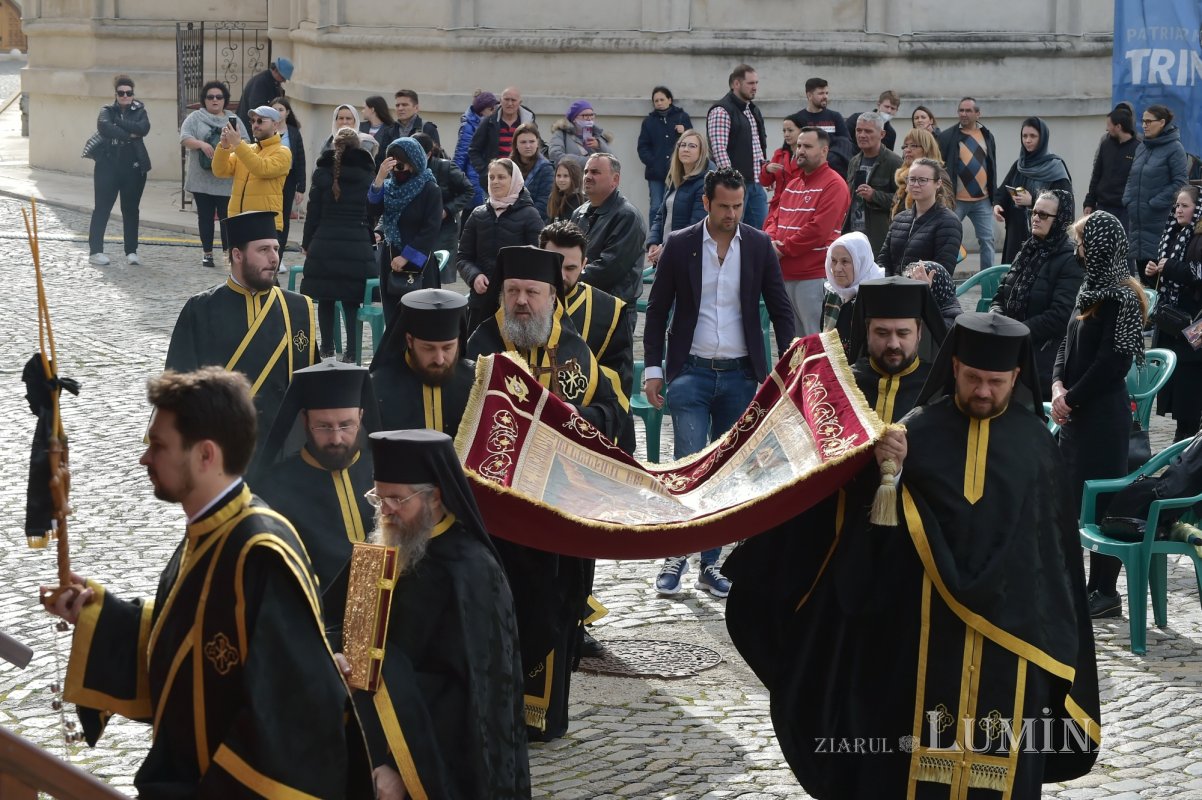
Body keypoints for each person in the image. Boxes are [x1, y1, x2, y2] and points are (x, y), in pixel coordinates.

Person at [725, 312, 1101, 799]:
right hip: (921, 638)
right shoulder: (914, 435)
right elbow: (874, 541)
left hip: (1013, 642)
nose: (983, 392)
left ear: (1016, 377)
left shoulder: (1037, 448)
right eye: (972, 379)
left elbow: (1055, 561)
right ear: (955, 368)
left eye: (995, 382)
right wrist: (888, 476)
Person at [48, 367, 372, 796]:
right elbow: (193, 640)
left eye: (158, 446)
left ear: (205, 455)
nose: (145, 458)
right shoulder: (206, 532)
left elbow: (291, 719)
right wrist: (97, 615)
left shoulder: (260, 553)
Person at [466, 245, 625, 741]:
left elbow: (616, 414)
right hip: (493, 520)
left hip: (555, 515)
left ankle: (540, 718)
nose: (520, 303)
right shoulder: (479, 348)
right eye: (512, 291)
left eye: (531, 293)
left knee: (552, 611)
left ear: (553, 297)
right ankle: (491, 716)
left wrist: (580, 422)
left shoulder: (578, 354)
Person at [325, 429, 530, 798]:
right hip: (361, 742)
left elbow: (470, 694)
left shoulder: (471, 570)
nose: (384, 510)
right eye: (378, 496)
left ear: (435, 496)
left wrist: (398, 766)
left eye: (396, 499)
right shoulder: (380, 551)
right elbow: (331, 621)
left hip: (430, 760)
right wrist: (335, 653)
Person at [643, 167, 796, 598]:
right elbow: (657, 310)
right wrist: (653, 369)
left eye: (738, 206)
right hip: (689, 371)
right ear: (706, 203)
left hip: (741, 375)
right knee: (689, 465)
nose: (731, 214)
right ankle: (676, 553)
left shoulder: (760, 246)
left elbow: (780, 310)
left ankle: (709, 563)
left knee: (726, 473)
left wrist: (788, 363)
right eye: (724, 206)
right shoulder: (681, 244)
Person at [1053, 210, 1148, 619]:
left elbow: (1113, 364)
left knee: (1104, 500)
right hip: (1075, 412)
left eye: (1084, 244)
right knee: (1069, 499)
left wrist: (1070, 398)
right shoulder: (1089, 290)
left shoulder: (1123, 297)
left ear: (1103, 248)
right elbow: (1065, 344)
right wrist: (1057, 386)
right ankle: (1073, 585)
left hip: (1103, 417)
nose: (1079, 252)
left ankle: (1104, 591)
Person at [165, 211, 316, 465]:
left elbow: (312, 389)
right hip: (224, 453)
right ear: (237, 255)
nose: (273, 259)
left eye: (276, 249)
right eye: (263, 250)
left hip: (284, 457)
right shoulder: (201, 309)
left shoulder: (298, 308)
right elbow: (179, 389)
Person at [252, 360, 378, 590]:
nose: (336, 439)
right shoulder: (273, 490)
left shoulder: (384, 473)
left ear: (361, 417)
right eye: (324, 427)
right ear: (305, 421)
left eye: (346, 425)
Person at [541, 220, 634, 452]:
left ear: (584, 264)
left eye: (570, 268)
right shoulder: (518, 306)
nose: (560, 275)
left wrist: (577, 410)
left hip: (589, 428)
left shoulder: (610, 312)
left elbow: (619, 381)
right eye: (554, 264)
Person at [990, 188, 1083, 400]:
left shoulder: (1070, 258)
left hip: (1042, 354)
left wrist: (1014, 332)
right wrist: (997, 318)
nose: (1035, 219)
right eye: (1034, 212)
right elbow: (1000, 295)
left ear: (1060, 219)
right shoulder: (1028, 249)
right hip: (1011, 345)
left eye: (1043, 215)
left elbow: (1060, 315)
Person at [763, 127, 852, 336]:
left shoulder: (834, 184)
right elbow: (774, 218)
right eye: (799, 145)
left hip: (813, 275)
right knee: (792, 343)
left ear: (824, 151)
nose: (800, 150)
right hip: (784, 273)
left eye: (808, 146)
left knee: (814, 340)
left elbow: (818, 229)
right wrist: (769, 241)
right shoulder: (793, 183)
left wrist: (782, 249)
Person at [300, 127, 376, 362]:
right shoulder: (366, 174)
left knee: (326, 298)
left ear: (334, 146)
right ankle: (352, 351)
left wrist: (307, 242)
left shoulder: (323, 173)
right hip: (356, 243)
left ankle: (326, 348)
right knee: (351, 300)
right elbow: (372, 210)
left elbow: (313, 212)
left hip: (325, 242)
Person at [370, 288, 476, 439]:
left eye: (447, 348)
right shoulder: (378, 387)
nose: (439, 359)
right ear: (409, 341)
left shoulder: (477, 383)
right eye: (428, 348)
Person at [846, 276, 947, 422]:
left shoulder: (938, 389)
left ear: (919, 332)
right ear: (867, 331)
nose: (893, 344)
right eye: (882, 333)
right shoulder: (845, 384)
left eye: (903, 333)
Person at [458, 158, 545, 330]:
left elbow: (539, 258)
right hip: (480, 302)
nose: (495, 182)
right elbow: (463, 257)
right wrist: (474, 276)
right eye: (492, 177)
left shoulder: (530, 215)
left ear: (514, 180)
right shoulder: (478, 215)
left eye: (501, 177)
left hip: (516, 304)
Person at [1145, 185, 1202, 441]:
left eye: (1185, 205)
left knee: (1189, 405)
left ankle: (1183, 459)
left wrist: (1172, 268)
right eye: (1177, 205)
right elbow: (1166, 283)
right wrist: (1153, 273)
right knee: (1180, 403)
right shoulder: (1172, 235)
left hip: (1193, 331)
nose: (1178, 209)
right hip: (1172, 329)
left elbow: (1197, 273)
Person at [570, 153, 648, 340]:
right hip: (580, 304)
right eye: (586, 171)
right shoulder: (579, 213)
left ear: (615, 179)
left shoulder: (627, 216)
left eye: (595, 172)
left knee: (610, 370)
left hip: (613, 312)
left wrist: (567, 278)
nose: (588, 176)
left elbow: (609, 268)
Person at [368, 137, 444, 324]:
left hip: (419, 260)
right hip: (390, 257)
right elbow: (373, 211)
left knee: (421, 320)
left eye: (401, 165)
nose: (397, 171)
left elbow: (431, 229)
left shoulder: (430, 189)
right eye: (393, 165)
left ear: (414, 163)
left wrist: (407, 257)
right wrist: (379, 179)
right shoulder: (389, 187)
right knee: (393, 317)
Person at [88, 74, 150, 266]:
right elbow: (105, 127)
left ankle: (131, 251)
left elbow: (144, 128)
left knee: (131, 209)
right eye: (121, 93)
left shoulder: (140, 110)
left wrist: (121, 123)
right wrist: (130, 134)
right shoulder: (106, 110)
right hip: (107, 166)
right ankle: (95, 251)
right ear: (115, 94)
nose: (125, 96)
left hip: (133, 167)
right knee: (102, 208)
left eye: (128, 93)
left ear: (133, 94)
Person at [992, 117, 1073, 263]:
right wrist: (998, 205)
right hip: (1016, 235)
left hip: (1042, 239)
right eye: (1024, 136)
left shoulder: (1056, 167)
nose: (1028, 140)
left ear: (1042, 138)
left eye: (1033, 136)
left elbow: (1065, 206)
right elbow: (1003, 191)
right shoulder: (1019, 165)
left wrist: (1033, 201)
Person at [1125, 105, 1189, 283]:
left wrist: (1153, 203)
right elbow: (1131, 178)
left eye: (1148, 121)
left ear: (1162, 123)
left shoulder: (1175, 148)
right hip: (1138, 227)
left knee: (1156, 287)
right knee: (1144, 288)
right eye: (1143, 121)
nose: (1144, 125)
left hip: (1160, 225)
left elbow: (1180, 183)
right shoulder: (1142, 147)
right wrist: (1128, 199)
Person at [180, 80, 239, 268]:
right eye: (210, 97)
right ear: (204, 100)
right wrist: (202, 144)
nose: (215, 100)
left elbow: (244, 141)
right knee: (204, 218)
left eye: (219, 97)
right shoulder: (195, 117)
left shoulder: (232, 119)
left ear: (225, 100)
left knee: (226, 219)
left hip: (225, 180)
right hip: (201, 179)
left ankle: (227, 253)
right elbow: (184, 138)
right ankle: (207, 253)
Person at [937, 97, 998, 270]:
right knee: (948, 240)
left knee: (987, 241)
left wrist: (995, 197)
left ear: (978, 113)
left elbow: (992, 166)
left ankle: (988, 284)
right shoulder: (948, 136)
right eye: (961, 110)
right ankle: (944, 278)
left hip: (983, 201)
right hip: (956, 201)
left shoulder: (987, 136)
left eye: (968, 110)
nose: (963, 114)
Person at [212, 105, 292, 236]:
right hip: (237, 219)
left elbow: (261, 169)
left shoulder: (283, 151)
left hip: (264, 222)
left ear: (275, 125)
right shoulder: (246, 149)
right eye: (253, 121)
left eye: (260, 121)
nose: (255, 125)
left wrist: (238, 144)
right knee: (236, 256)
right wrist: (224, 147)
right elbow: (220, 171)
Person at [707, 64, 769, 228]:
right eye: (750, 83)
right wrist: (731, 182)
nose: (755, 87)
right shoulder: (722, 110)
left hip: (756, 184)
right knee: (730, 232)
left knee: (760, 234)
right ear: (736, 84)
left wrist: (766, 172)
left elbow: (758, 148)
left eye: (756, 83)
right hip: (735, 188)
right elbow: (719, 150)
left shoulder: (752, 110)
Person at [877, 158, 962, 277]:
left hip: (925, 292)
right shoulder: (899, 218)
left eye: (923, 180)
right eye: (911, 179)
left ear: (938, 183)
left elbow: (943, 270)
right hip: (893, 290)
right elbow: (883, 260)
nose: (916, 185)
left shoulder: (948, 221)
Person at [413, 131, 476, 279]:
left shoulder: (446, 168)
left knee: (440, 272)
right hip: (420, 228)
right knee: (418, 270)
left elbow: (468, 190)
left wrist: (447, 210)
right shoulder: (409, 170)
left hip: (445, 228)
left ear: (428, 154)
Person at [646, 129, 713, 265]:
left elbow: (696, 225)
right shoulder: (675, 178)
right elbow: (661, 215)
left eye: (692, 146)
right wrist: (653, 242)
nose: (686, 149)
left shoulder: (705, 182)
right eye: (682, 145)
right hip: (668, 252)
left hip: (688, 256)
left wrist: (666, 247)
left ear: (702, 152)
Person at [843, 111, 903, 254]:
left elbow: (904, 203)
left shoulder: (894, 162)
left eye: (868, 131)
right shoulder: (854, 161)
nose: (862, 135)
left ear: (882, 134)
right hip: (853, 235)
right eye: (859, 130)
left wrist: (874, 196)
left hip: (878, 239)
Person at [637, 85, 692, 226]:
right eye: (656, 101)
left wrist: (685, 131)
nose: (659, 103)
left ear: (670, 100)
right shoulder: (649, 122)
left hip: (677, 172)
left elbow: (693, 142)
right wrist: (653, 162)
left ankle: (670, 238)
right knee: (656, 207)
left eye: (662, 99)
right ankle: (654, 241)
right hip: (655, 174)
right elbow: (642, 146)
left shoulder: (682, 117)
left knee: (674, 206)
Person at [819, 231, 883, 353]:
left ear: (861, 262)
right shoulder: (832, 294)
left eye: (845, 262)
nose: (837, 269)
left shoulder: (875, 296)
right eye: (833, 260)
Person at [469, 86, 536, 194]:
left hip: (522, 180)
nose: (510, 103)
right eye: (506, 99)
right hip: (495, 182)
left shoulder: (528, 123)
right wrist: (485, 171)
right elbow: (473, 150)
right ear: (500, 101)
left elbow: (536, 147)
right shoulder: (488, 122)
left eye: (513, 100)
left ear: (520, 102)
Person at [1083, 104, 1138, 229]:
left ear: (1118, 127)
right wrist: (1089, 202)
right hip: (1102, 206)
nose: (1106, 129)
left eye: (1109, 125)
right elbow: (1096, 175)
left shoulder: (1138, 148)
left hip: (1124, 211)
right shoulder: (1105, 145)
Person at [793, 77, 853, 180]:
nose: (825, 96)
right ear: (809, 95)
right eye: (821, 93)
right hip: (805, 173)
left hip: (833, 171)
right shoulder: (798, 118)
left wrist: (828, 157)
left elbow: (846, 143)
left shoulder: (835, 117)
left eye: (826, 93)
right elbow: (792, 146)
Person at [271, 96, 306, 250]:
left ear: (287, 113)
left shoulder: (293, 133)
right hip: (269, 177)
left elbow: (300, 159)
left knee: (283, 216)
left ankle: (280, 250)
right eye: (274, 109)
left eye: (281, 109)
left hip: (288, 178)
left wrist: (301, 187)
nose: (278, 113)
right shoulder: (266, 129)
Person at [454, 90, 497, 211]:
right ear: (483, 110)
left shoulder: (492, 124)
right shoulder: (469, 126)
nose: (495, 111)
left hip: (484, 175)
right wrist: (454, 179)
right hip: (474, 177)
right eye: (491, 109)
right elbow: (461, 155)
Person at [759, 112, 804, 221]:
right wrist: (767, 169)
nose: (786, 134)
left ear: (801, 131)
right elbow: (765, 182)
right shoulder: (779, 154)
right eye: (784, 131)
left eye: (790, 130)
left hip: (797, 205)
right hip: (777, 205)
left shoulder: (806, 155)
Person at [890, 127, 942, 217]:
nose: (907, 150)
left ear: (927, 149)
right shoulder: (903, 178)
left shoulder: (938, 175)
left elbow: (944, 209)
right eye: (905, 146)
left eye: (913, 146)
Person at [548, 100, 614, 169]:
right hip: (571, 179)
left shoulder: (598, 135)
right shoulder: (561, 134)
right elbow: (555, 156)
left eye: (592, 115)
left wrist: (599, 146)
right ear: (574, 119)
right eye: (585, 115)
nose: (589, 118)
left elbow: (613, 161)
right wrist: (590, 162)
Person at [509, 122, 554, 223]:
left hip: (534, 222)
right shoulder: (508, 166)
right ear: (516, 144)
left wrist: (520, 218)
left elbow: (544, 203)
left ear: (537, 143)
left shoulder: (546, 168)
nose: (528, 146)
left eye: (532, 141)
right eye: (523, 142)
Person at [237, 56, 292, 131]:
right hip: (250, 128)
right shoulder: (261, 83)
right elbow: (257, 109)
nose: (284, 81)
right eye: (283, 78)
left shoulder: (272, 82)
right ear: (276, 70)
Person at [359, 94, 399, 164]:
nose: (362, 111)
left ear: (372, 109)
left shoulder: (392, 129)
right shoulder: (360, 127)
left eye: (364, 108)